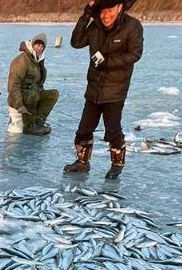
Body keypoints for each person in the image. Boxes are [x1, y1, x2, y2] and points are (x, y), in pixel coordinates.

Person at [64, 0, 143, 180]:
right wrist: (86, 16)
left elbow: (135, 54)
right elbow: (76, 42)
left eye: (109, 11)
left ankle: (117, 164)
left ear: (120, 7)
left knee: (113, 131)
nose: (105, 16)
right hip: (94, 88)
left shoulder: (132, 26)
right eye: (102, 12)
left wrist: (108, 62)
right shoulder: (95, 26)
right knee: (84, 129)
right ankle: (82, 162)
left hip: (115, 90)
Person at [7, 33, 58, 136]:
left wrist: (40, 90)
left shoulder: (38, 60)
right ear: (32, 44)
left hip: (33, 92)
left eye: (42, 46)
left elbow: (38, 82)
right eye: (38, 45)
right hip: (20, 96)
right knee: (33, 95)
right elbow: (13, 85)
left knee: (53, 94)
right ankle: (29, 126)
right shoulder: (22, 60)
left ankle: (39, 121)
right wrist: (19, 104)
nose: (40, 48)